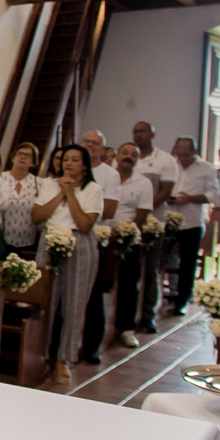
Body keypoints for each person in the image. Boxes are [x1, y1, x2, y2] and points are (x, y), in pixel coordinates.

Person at [32, 144, 102, 384]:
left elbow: (85, 225)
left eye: (75, 160)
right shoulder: (49, 185)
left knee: (73, 304)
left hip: (79, 244)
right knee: (44, 302)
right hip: (49, 241)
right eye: (66, 160)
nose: (69, 164)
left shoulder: (94, 189)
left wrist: (71, 194)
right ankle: (39, 354)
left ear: (85, 165)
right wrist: (60, 192)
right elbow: (37, 216)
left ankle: (64, 358)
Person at [131, 121, 177, 333]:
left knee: (149, 269)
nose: (138, 135)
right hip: (128, 222)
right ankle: (127, 316)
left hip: (152, 222)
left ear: (152, 133)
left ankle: (148, 315)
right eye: (135, 132)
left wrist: (143, 209)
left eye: (142, 131)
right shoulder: (129, 156)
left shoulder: (165, 160)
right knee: (129, 271)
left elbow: (165, 192)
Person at [79, 130, 121, 364]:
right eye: (87, 142)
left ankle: (92, 347)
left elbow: (110, 209)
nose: (91, 146)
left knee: (93, 297)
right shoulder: (72, 169)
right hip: (68, 237)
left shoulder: (109, 175)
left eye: (96, 144)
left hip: (96, 238)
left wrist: (84, 207)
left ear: (103, 149)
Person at [168, 137, 218, 316]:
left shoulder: (207, 169)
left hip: (191, 221)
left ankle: (182, 301)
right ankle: (158, 297)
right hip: (169, 218)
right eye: (179, 154)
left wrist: (190, 198)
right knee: (159, 259)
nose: (182, 158)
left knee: (188, 264)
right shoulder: (171, 164)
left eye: (186, 155)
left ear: (194, 152)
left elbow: (213, 194)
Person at [110, 143, 153, 348]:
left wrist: (126, 234)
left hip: (129, 239)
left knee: (129, 285)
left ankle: (126, 328)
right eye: (125, 153)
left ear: (138, 159)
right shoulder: (106, 176)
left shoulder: (143, 183)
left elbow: (142, 215)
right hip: (103, 237)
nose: (128, 157)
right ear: (117, 155)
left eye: (133, 155)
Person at [0, 141, 41, 254]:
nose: (23, 157)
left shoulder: (38, 183)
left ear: (33, 162)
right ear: (13, 158)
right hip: (0, 239)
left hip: (27, 242)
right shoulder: (0, 178)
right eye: (20, 154)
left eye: (28, 156)